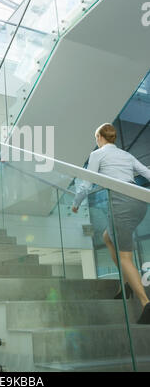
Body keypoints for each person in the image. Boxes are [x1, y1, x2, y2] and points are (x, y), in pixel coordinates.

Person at [72, 123, 150, 324]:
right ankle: (125, 284)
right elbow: (147, 174)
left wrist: (76, 203)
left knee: (125, 257)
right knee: (108, 237)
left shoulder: (97, 155)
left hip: (121, 204)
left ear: (99, 137)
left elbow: (87, 183)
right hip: (139, 202)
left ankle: (145, 303)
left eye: (95, 138)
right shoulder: (126, 155)